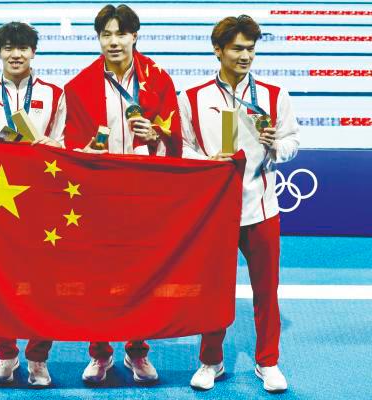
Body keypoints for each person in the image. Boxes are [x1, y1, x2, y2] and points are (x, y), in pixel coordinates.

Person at [61, 4, 183, 384]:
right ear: (98, 38)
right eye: (106, 35)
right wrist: (88, 153)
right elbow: (71, 146)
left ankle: (137, 350)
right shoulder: (79, 85)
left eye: (120, 34)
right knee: (97, 274)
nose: (113, 42)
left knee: (142, 273)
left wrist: (157, 137)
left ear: (134, 36)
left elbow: (177, 136)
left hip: (145, 193)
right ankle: (99, 352)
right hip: (99, 194)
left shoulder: (158, 79)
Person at [178, 15, 299, 393]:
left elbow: (293, 142)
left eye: (251, 49)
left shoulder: (275, 95)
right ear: (218, 51)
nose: (246, 56)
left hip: (262, 206)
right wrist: (206, 162)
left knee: (267, 290)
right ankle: (210, 361)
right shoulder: (193, 98)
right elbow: (182, 149)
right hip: (215, 212)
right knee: (213, 290)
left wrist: (276, 144)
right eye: (237, 48)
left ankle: (268, 362)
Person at [0, 21, 65, 387]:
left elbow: (63, 145)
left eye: (22, 47)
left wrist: (46, 144)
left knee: (43, 281)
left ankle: (38, 358)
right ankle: (6, 354)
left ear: (34, 52)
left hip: (41, 201)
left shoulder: (55, 93)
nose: (16, 54)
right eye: (8, 47)